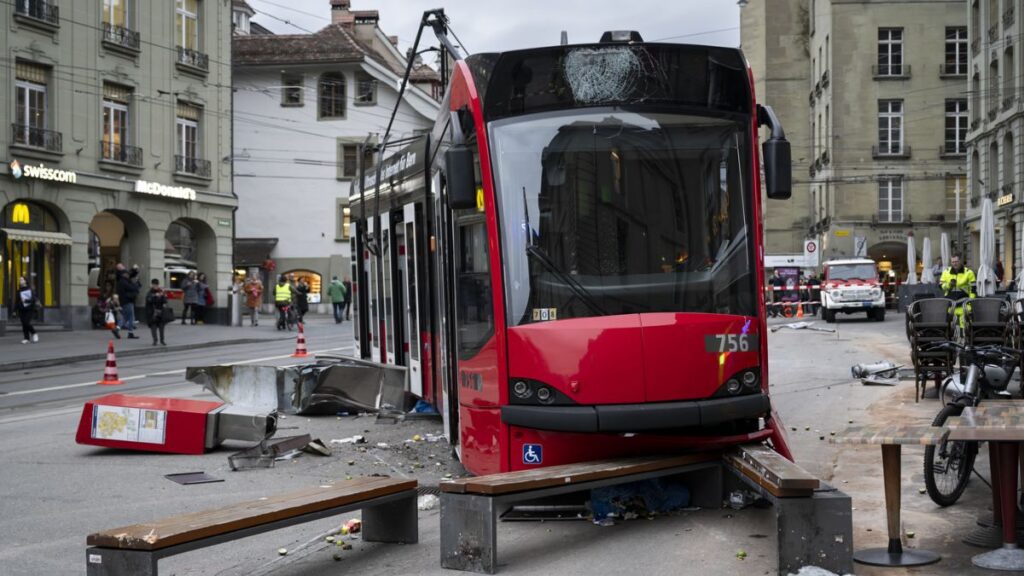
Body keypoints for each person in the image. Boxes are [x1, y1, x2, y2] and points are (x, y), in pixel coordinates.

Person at [116, 265, 141, 339]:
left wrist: (134, 270)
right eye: (127, 274)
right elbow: (132, 288)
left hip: (124, 301)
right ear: (124, 274)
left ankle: (117, 329)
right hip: (127, 301)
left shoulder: (122, 280)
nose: (128, 275)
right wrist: (136, 284)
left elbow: (131, 274)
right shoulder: (124, 281)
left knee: (125, 317)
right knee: (130, 318)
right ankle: (129, 333)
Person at [145, 278, 168, 346]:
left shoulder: (161, 291)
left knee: (161, 327)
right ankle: (155, 340)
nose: (156, 286)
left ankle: (162, 340)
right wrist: (155, 296)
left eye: (157, 285)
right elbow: (148, 300)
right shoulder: (149, 292)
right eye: (154, 285)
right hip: (152, 313)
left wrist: (163, 296)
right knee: (153, 327)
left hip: (160, 312)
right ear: (152, 285)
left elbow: (165, 301)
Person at [16, 276, 38, 344]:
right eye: (20, 280)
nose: (20, 281)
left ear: (25, 281)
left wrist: (26, 300)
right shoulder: (19, 290)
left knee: (26, 322)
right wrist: (14, 310)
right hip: (21, 309)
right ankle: (26, 338)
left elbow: (33, 300)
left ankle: (34, 333)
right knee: (23, 324)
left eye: (22, 280)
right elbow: (16, 301)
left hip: (29, 309)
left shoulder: (30, 289)